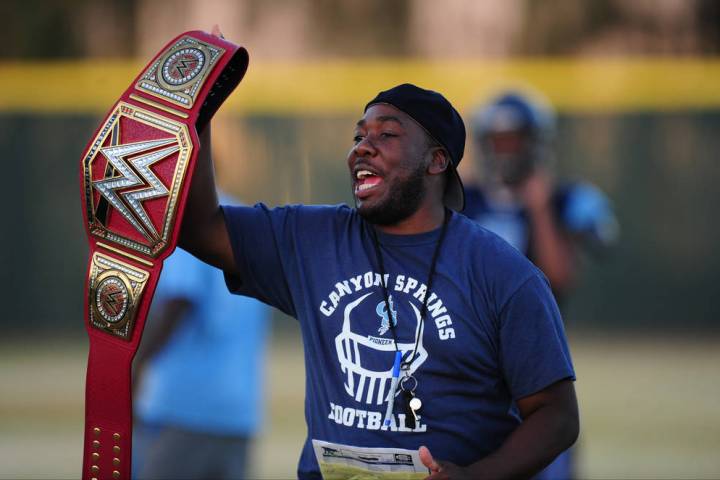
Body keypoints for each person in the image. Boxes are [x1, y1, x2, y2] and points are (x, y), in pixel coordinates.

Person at [180, 56, 579, 479]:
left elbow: (556, 415)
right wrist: (200, 114)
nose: (362, 147)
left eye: (386, 134)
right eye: (358, 135)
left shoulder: (502, 273)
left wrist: (477, 476)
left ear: (437, 161)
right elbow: (200, 228)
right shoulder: (311, 238)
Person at [464, 89, 619, 478]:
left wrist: (540, 207)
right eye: (497, 141)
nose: (505, 151)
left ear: (536, 143)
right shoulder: (464, 198)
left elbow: (560, 278)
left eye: (514, 140)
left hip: (535, 367)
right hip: (470, 365)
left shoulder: (563, 198)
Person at [132, 215, 270, 480]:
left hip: (183, 409)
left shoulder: (186, 220)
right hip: (239, 411)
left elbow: (180, 299)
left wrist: (136, 364)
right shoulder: (245, 220)